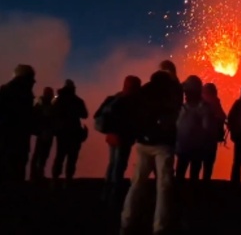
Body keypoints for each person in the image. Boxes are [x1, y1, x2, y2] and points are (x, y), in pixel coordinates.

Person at [120, 69, 182, 235]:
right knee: (163, 187)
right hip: (163, 145)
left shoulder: (144, 92)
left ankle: (126, 222)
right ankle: (160, 227)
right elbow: (175, 115)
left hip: (143, 143)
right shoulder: (170, 94)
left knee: (137, 183)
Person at [97, 75, 142, 205]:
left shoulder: (116, 98)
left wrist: (110, 133)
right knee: (118, 166)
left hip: (114, 137)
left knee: (113, 164)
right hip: (122, 138)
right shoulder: (128, 101)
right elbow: (130, 121)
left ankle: (106, 194)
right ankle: (114, 197)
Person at [175, 76, 216, 183]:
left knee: (187, 176)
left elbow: (206, 130)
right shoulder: (196, 107)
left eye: (187, 91)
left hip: (191, 149)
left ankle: (187, 197)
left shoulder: (201, 109)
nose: (185, 94)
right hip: (188, 149)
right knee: (188, 176)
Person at [0, 64, 36, 184]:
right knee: (16, 171)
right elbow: (28, 117)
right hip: (18, 140)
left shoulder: (4, 90)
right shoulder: (26, 93)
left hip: (5, 139)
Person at [51, 79, 88, 188]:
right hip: (74, 132)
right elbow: (84, 114)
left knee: (60, 155)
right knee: (72, 157)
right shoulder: (77, 101)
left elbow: (53, 114)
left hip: (61, 132)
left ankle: (55, 179)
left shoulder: (58, 100)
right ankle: (68, 179)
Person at [201, 83, 226, 181]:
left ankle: (194, 186)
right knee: (209, 163)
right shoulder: (215, 101)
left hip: (199, 138)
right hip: (211, 138)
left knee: (197, 162)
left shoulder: (199, 102)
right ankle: (205, 184)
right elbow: (223, 116)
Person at [30, 87, 55, 181]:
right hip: (45, 132)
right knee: (41, 154)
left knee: (41, 154)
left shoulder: (40, 104)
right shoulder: (45, 105)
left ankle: (36, 174)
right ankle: (37, 175)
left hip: (44, 132)